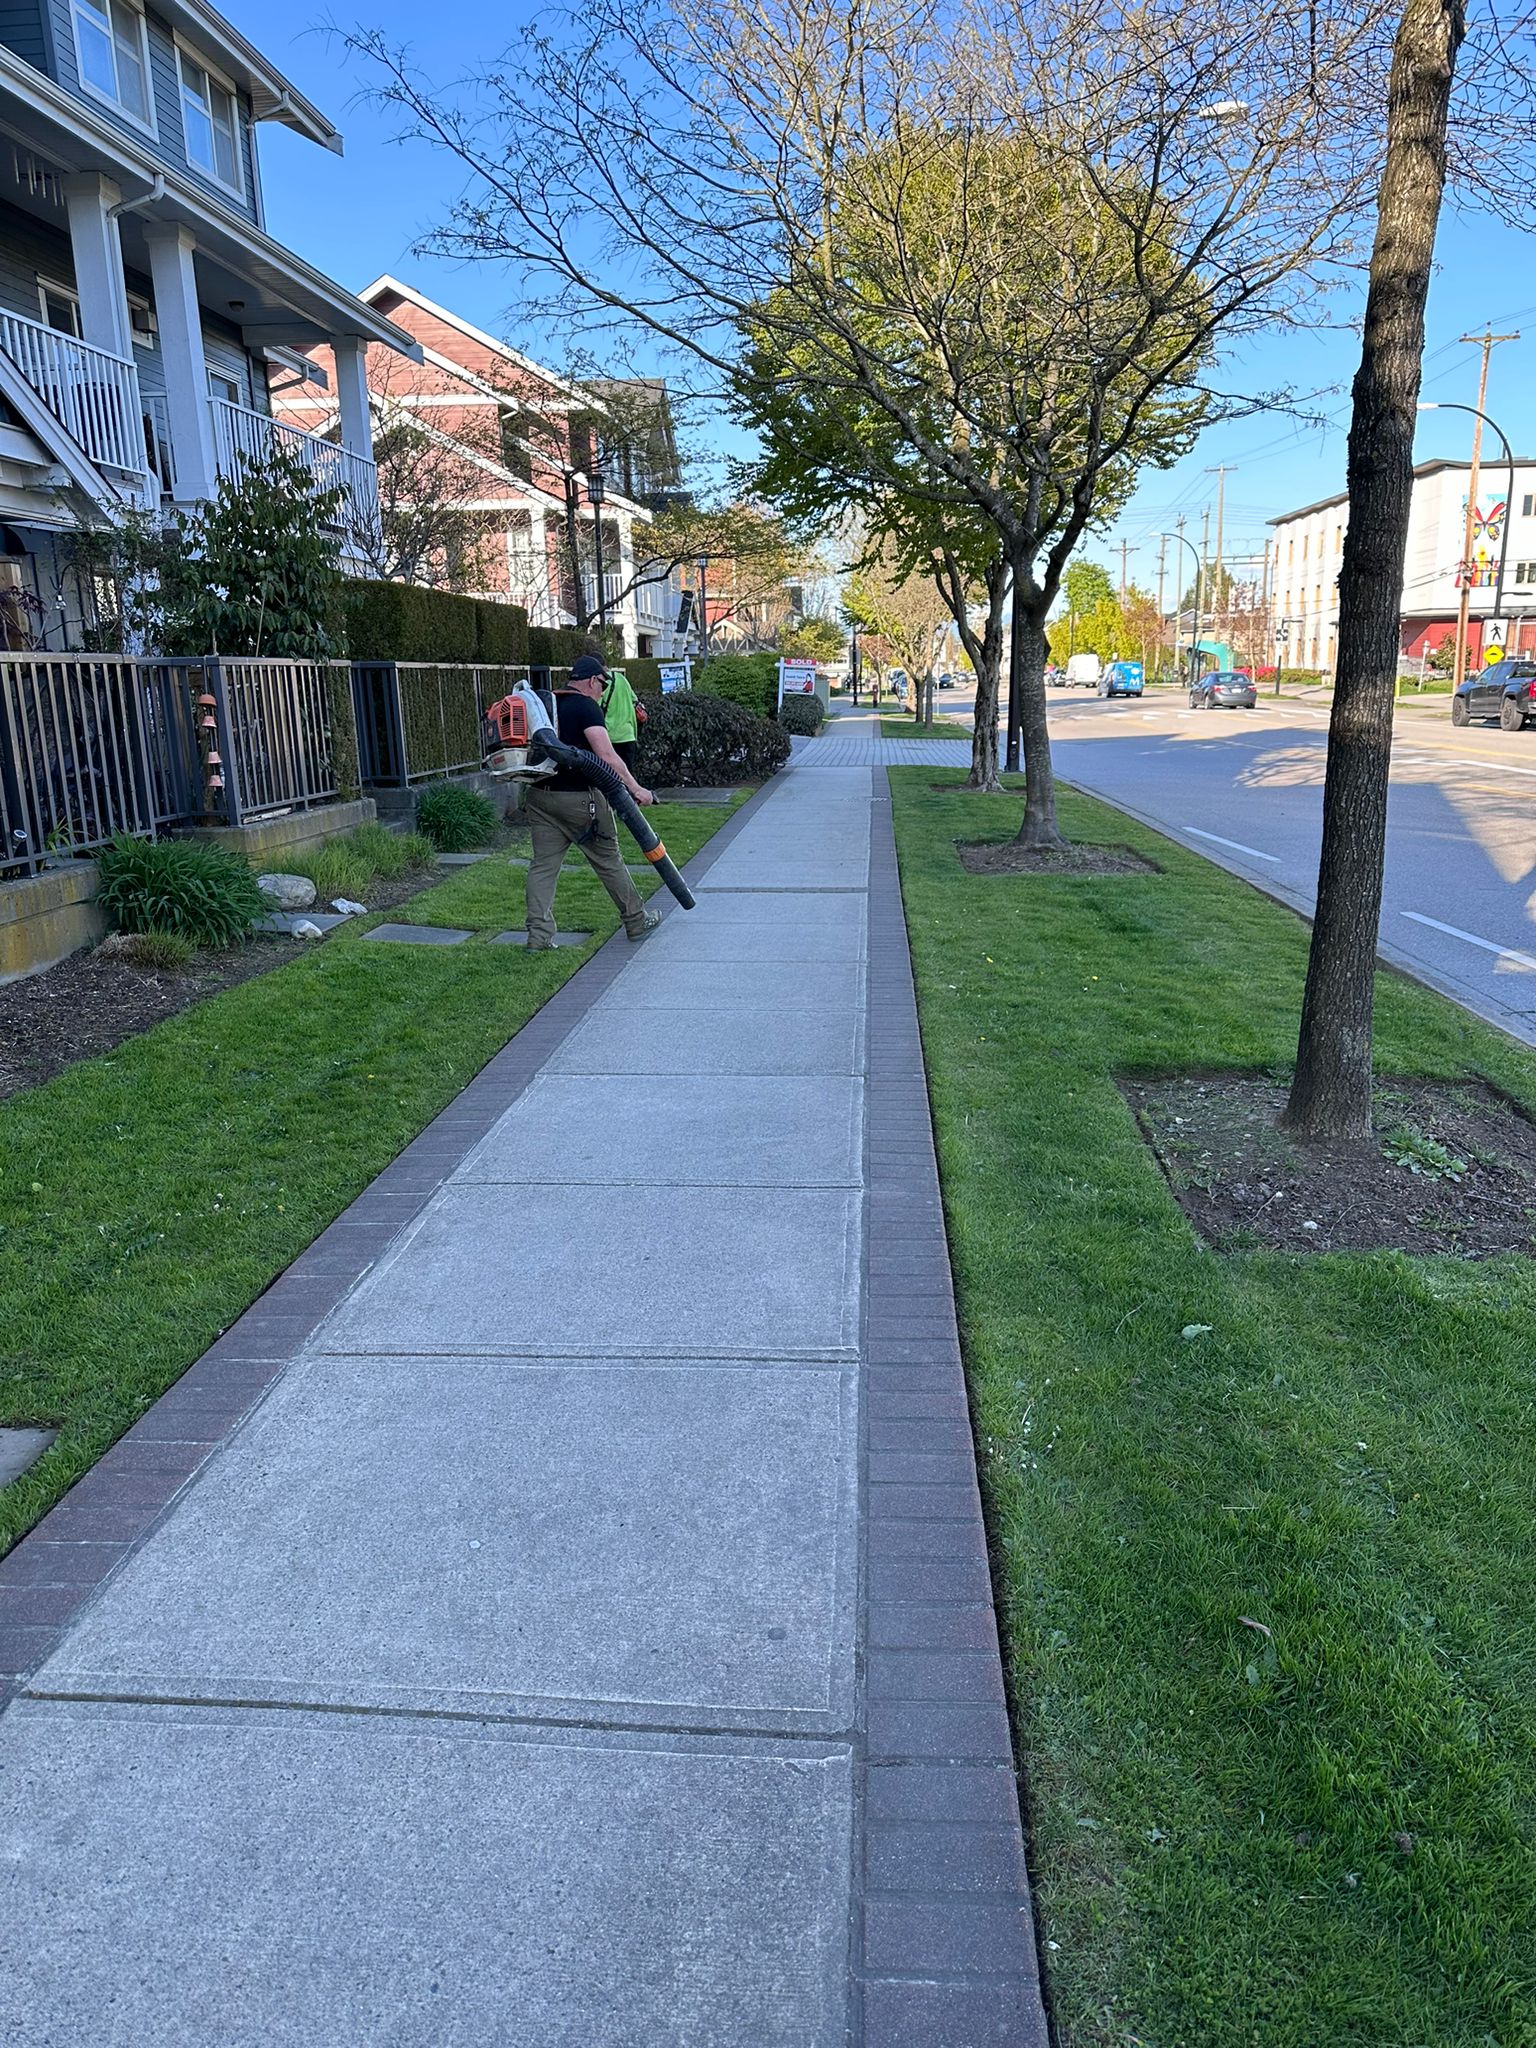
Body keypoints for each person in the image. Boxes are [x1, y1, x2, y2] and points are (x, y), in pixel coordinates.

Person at [524, 654, 660, 950]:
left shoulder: (546, 706)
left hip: (539, 797)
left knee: (543, 867)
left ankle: (538, 937)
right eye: (602, 683)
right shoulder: (586, 708)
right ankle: (637, 920)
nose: (603, 690)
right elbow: (606, 756)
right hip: (579, 800)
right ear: (590, 681)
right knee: (609, 860)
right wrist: (636, 788)